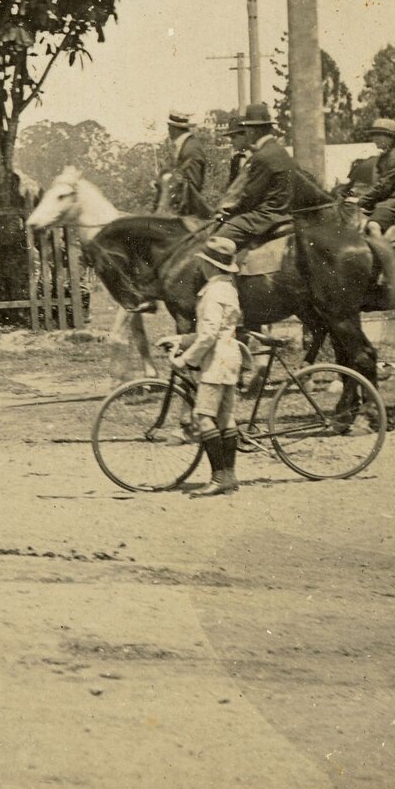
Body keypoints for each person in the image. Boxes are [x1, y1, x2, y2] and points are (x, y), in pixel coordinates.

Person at [165, 236, 244, 498]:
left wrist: (185, 359)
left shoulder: (212, 293)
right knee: (225, 418)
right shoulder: (228, 288)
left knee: (203, 417)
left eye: (203, 263)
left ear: (210, 266)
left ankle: (218, 477)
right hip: (230, 356)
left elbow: (209, 336)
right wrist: (180, 339)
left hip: (216, 362)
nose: (200, 267)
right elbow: (218, 330)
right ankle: (230, 476)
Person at [213, 104, 296, 252]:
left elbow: (250, 197)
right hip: (283, 215)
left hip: (262, 218)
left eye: (248, 128)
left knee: (216, 242)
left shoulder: (262, 156)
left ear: (253, 130)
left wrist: (229, 211)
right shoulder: (282, 152)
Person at [351, 117, 395, 235]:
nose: (374, 139)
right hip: (385, 200)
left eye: (378, 135)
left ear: (390, 138)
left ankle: (382, 252)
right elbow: (378, 184)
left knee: (373, 226)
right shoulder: (384, 157)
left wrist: (361, 200)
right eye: (373, 135)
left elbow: (384, 186)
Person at [164, 112, 211, 219]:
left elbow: (192, 187)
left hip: (189, 213)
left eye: (169, 128)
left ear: (173, 128)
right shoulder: (185, 146)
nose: (168, 132)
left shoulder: (191, 149)